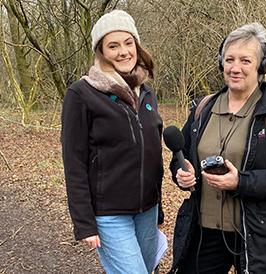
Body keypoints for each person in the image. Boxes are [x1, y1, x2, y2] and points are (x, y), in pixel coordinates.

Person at [169, 22, 266, 274]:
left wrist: (241, 182)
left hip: (260, 234)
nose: (235, 68)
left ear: (261, 65)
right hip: (204, 232)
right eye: (229, 59)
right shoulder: (202, 110)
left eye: (245, 60)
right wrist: (182, 174)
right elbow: (181, 158)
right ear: (221, 62)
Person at [61, 10, 164, 274]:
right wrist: (84, 222)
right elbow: (74, 162)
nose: (123, 51)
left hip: (147, 210)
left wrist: (159, 207)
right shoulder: (81, 93)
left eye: (128, 43)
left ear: (137, 45)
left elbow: (152, 154)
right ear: (101, 51)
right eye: (113, 45)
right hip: (109, 214)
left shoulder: (146, 92)